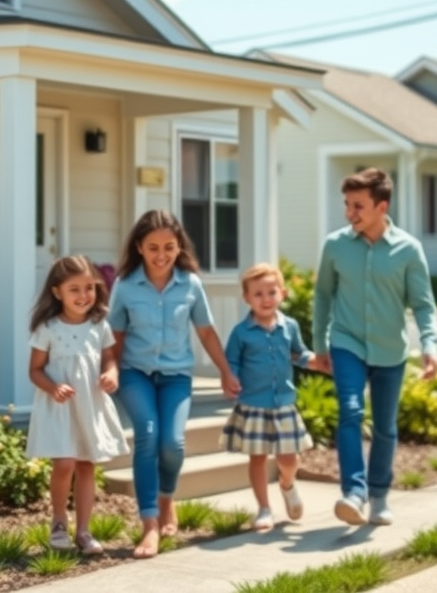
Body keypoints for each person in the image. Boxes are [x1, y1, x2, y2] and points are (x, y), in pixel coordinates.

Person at [108, 210, 242, 559]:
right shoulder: (124, 286)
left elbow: (207, 332)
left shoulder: (190, 284)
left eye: (169, 246)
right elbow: (115, 336)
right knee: (148, 435)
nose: (161, 254)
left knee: (173, 443)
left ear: (179, 246)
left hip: (176, 376)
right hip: (135, 373)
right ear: (139, 247)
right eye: (153, 247)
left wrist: (226, 372)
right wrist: (109, 370)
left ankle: (167, 497)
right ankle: (149, 524)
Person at [312, 168, 437, 527]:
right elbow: (322, 295)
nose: (349, 213)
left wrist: (430, 345)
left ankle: (379, 495)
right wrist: (320, 344)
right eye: (347, 205)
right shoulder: (335, 245)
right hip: (346, 342)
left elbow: (423, 304)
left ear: (381, 206)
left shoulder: (408, 249)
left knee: (385, 426)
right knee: (350, 412)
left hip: (389, 349)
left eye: (358, 206)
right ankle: (353, 493)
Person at [26, 255, 129, 555]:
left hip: (89, 403)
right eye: (75, 289)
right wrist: (53, 387)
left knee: (86, 464)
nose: (84, 296)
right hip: (60, 405)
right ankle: (59, 521)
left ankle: (83, 531)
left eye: (89, 288)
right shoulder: (47, 328)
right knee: (65, 462)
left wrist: (111, 373)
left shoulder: (99, 325)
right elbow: (34, 370)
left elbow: (109, 357)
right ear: (57, 292)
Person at [219, 262, 323, 531]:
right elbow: (232, 362)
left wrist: (318, 363)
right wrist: (231, 378)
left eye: (271, 292)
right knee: (258, 458)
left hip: (283, 403)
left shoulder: (289, 326)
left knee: (289, 459)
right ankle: (264, 508)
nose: (266, 299)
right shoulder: (241, 332)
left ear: (282, 293)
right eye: (258, 294)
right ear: (247, 298)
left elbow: (299, 354)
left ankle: (288, 485)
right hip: (253, 404)